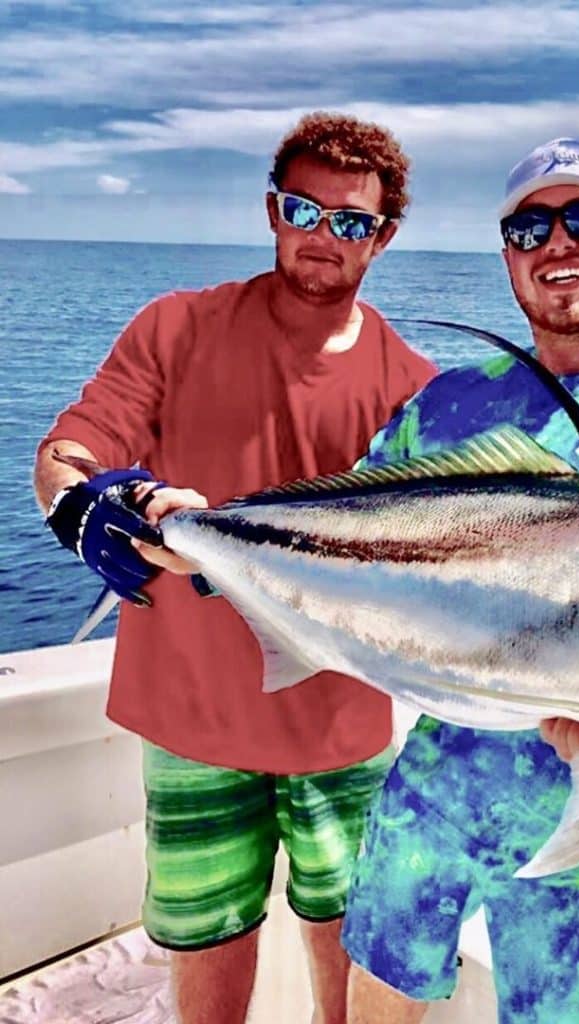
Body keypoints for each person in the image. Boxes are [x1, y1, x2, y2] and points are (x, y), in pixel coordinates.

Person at [33, 112, 436, 1024]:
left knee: (350, 932)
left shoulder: (412, 388)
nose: (324, 236)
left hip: (339, 720)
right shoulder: (178, 326)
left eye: (352, 222)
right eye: (305, 209)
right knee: (209, 938)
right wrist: (80, 507)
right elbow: (75, 444)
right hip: (189, 713)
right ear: (272, 210)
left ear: (384, 237)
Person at [342, 138, 579, 1024]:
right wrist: (199, 539)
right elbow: (344, 540)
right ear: (510, 257)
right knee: (381, 975)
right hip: (438, 781)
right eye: (529, 225)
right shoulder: (446, 406)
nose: (557, 241)